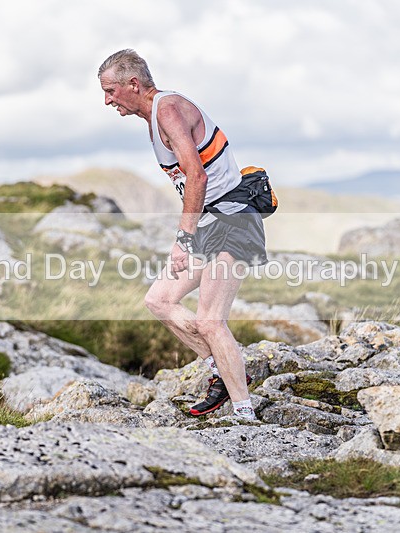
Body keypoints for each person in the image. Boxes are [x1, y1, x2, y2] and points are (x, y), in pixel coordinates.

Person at [98, 49, 267, 420]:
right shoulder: (154, 117)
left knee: (209, 319)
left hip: (234, 219)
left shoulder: (168, 109)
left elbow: (197, 175)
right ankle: (223, 370)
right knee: (159, 300)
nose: (107, 100)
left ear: (133, 84)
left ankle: (245, 414)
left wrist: (184, 237)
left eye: (110, 91)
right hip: (209, 221)